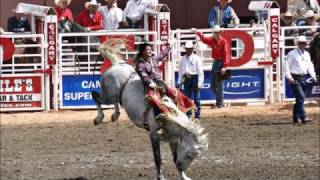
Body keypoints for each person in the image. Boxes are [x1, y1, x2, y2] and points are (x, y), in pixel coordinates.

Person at [194, 25, 231, 108]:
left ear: (220, 32)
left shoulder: (223, 41)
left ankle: (220, 103)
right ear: (214, 33)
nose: (217, 34)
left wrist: (224, 66)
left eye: (218, 32)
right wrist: (198, 32)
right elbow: (204, 39)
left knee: (219, 84)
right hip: (216, 63)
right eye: (215, 32)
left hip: (220, 63)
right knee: (214, 85)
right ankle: (220, 101)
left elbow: (226, 54)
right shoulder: (213, 40)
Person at [283, 36, 317, 125]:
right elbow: (286, 66)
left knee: (299, 99)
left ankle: (295, 118)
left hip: (303, 77)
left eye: (304, 43)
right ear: (297, 44)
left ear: (306, 44)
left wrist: (313, 76)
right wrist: (289, 77)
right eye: (301, 43)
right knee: (301, 97)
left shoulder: (307, 54)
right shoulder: (292, 53)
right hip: (295, 78)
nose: (302, 45)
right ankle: (303, 117)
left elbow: (310, 66)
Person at [177, 41, 204, 120]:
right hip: (186, 78)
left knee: (197, 99)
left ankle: (197, 116)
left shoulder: (197, 58)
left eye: (189, 49)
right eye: (187, 49)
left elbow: (200, 72)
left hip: (194, 78)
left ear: (192, 49)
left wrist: (200, 83)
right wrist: (179, 82)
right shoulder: (182, 59)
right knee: (187, 98)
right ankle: (188, 115)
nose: (188, 50)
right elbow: (181, 71)